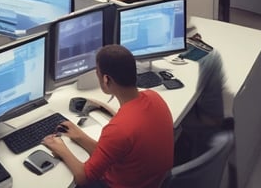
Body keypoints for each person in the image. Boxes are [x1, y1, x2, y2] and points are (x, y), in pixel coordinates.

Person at [42, 45, 173, 188]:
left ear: (106, 79)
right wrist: (80, 137)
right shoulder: (154, 97)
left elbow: (85, 177)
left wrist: (61, 149)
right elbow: (113, 151)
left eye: (97, 72)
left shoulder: (119, 128)